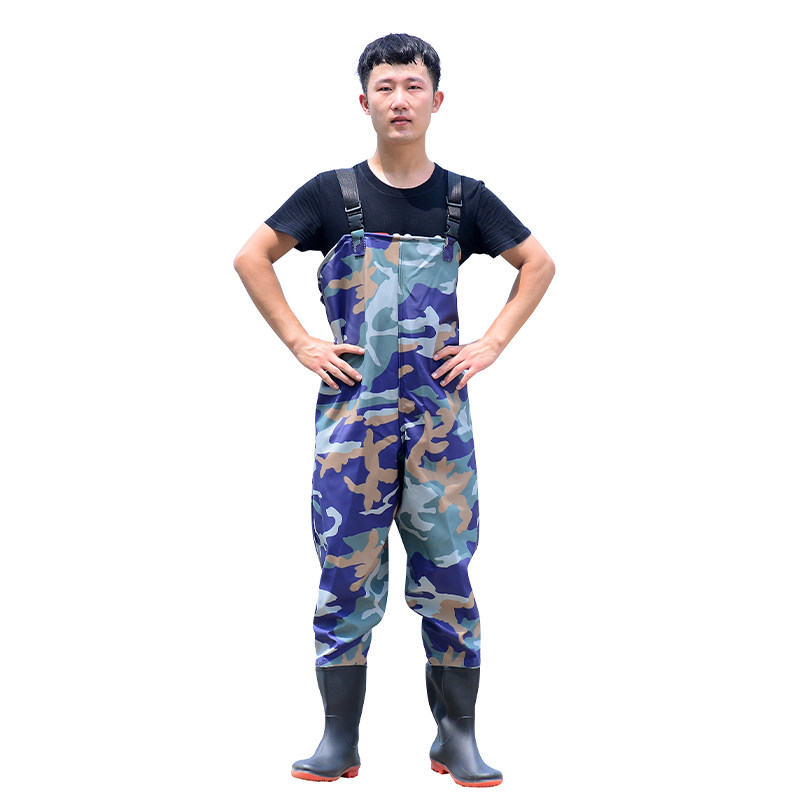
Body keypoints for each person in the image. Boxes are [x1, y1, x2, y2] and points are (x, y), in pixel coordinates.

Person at [233, 33, 555, 788]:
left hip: (439, 425)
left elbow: (539, 264)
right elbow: (252, 256)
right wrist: (300, 341)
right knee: (346, 574)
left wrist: (492, 342)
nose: (400, 100)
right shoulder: (330, 195)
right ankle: (338, 738)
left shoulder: (463, 200)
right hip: (353, 423)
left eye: (413, 87)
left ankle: (457, 736)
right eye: (385, 87)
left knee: (448, 575)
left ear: (437, 101)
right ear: (365, 101)